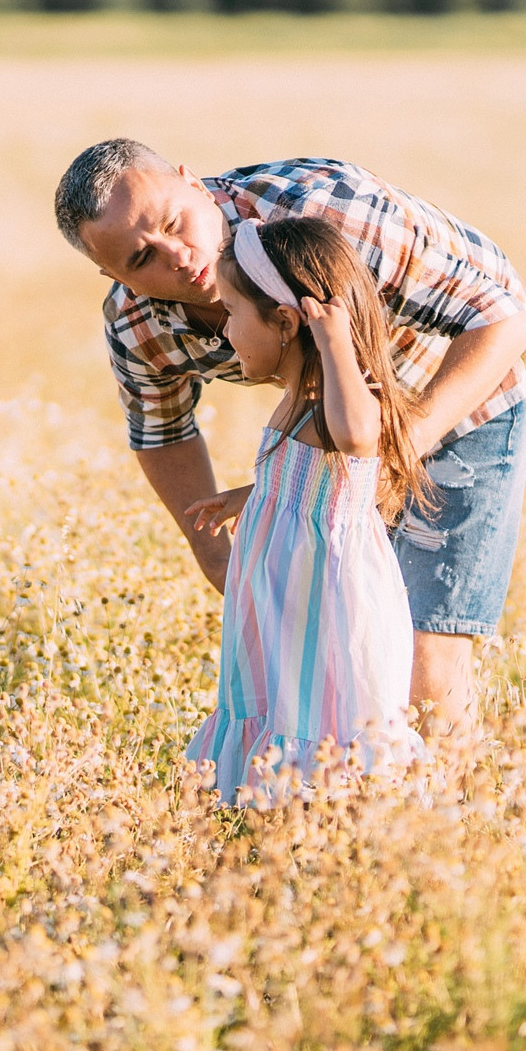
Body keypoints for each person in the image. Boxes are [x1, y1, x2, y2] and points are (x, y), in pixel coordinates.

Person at [53, 141, 526, 742]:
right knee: (348, 647)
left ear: (192, 182)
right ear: (115, 276)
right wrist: (211, 549)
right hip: (341, 432)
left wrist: (393, 455)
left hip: (466, 381)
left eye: (174, 223)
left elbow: (503, 319)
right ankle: (346, 817)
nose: (177, 257)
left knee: (423, 653)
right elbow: (162, 431)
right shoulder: (136, 321)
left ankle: (443, 823)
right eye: (140, 258)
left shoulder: (327, 215)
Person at [183, 217, 429, 802]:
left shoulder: (335, 405)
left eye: (232, 313)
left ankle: (324, 842)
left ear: (287, 322)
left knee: (319, 718)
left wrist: (335, 340)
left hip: (325, 608)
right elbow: (315, 479)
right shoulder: (297, 396)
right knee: (279, 703)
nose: (225, 333)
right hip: (284, 603)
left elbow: (356, 441)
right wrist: (254, 495)